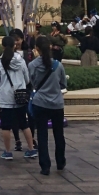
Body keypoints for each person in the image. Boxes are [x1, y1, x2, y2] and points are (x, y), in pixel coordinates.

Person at [0, 37, 36, 160]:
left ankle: (8, 151)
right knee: (24, 124)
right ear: (14, 46)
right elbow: (27, 79)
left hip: (5, 99)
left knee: (6, 126)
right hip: (20, 97)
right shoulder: (21, 61)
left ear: (2, 46)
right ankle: (31, 149)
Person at [29, 35, 66, 176]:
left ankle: (45, 166)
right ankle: (60, 162)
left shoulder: (32, 65)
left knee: (42, 135)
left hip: (40, 103)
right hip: (57, 104)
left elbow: (31, 82)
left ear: (36, 49)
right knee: (59, 134)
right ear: (50, 47)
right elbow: (63, 84)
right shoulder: (58, 65)